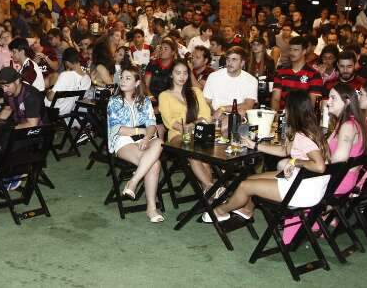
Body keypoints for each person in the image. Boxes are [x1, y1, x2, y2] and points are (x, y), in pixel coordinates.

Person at [205, 90, 329, 223]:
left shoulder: (302, 136)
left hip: (303, 191)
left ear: (292, 110)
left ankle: (219, 211)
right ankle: (246, 210)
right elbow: (284, 151)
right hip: (310, 184)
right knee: (251, 178)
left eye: (286, 107)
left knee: (245, 186)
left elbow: (320, 166)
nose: (283, 110)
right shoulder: (312, 130)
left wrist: (294, 162)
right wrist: (255, 145)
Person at [106, 66, 164, 223]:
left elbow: (152, 124)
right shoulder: (114, 101)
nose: (122, 81)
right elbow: (118, 128)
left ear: (137, 82)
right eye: (122, 77)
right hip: (122, 140)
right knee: (155, 164)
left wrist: (146, 138)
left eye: (127, 78)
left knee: (158, 142)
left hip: (144, 139)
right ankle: (151, 208)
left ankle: (133, 181)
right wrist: (140, 131)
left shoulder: (145, 101)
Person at [159, 59, 214, 192]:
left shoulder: (195, 91)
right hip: (177, 136)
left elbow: (206, 115)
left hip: (199, 134)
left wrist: (192, 125)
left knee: (205, 159)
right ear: (171, 74)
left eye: (185, 73)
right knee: (192, 150)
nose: (182, 76)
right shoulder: (165, 95)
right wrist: (190, 126)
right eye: (178, 73)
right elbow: (169, 122)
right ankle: (212, 189)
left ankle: (209, 193)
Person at [326, 83, 367, 195]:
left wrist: (314, 165)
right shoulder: (350, 122)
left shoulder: (348, 126)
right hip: (342, 178)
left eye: (333, 98)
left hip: (338, 181)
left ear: (347, 102)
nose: (328, 102)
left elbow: (339, 160)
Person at [204, 46, 257, 122]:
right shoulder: (213, 76)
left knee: (242, 112)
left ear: (242, 63)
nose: (229, 63)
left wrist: (223, 108)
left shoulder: (251, 80)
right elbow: (206, 102)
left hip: (237, 117)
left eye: (234, 59)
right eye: (228, 59)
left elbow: (248, 105)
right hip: (214, 116)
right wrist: (215, 113)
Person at [271, 36, 323, 111]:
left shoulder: (314, 75)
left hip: (303, 118)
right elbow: (275, 99)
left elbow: (312, 103)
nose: (292, 53)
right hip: (283, 117)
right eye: (290, 49)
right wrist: (275, 117)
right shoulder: (280, 72)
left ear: (304, 51)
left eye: (296, 50)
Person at [45, 48, 91, 116]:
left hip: (54, 111)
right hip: (69, 111)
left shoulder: (65, 75)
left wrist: (48, 92)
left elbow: (50, 98)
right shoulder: (87, 79)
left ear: (67, 62)